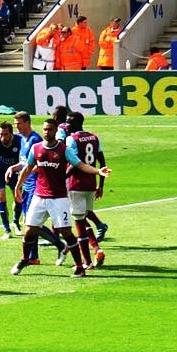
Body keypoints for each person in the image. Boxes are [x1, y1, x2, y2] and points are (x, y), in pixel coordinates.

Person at [11, 119, 111, 277]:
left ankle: (79, 267)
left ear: (55, 131)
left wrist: (98, 171)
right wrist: (18, 186)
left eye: (50, 129)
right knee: (29, 230)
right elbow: (28, 168)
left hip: (58, 198)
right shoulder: (36, 148)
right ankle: (25, 259)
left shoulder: (63, 149)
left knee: (66, 232)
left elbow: (80, 165)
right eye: (44, 129)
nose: (46, 132)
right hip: (39, 196)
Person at [5, 112, 68, 265]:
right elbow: (26, 162)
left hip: (37, 186)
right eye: (15, 124)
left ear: (27, 123)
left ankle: (59, 246)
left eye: (19, 123)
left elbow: (38, 164)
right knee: (30, 224)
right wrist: (13, 168)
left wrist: (24, 173)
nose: (16, 126)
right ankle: (34, 256)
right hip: (27, 185)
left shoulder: (35, 140)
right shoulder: (23, 140)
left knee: (31, 223)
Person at [64, 112, 107, 269]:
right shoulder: (94, 138)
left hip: (76, 185)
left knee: (79, 225)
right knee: (83, 219)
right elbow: (102, 162)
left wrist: (62, 179)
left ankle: (87, 261)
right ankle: (97, 249)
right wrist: (101, 184)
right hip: (91, 184)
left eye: (69, 123)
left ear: (76, 123)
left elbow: (74, 163)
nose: (67, 125)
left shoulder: (72, 139)